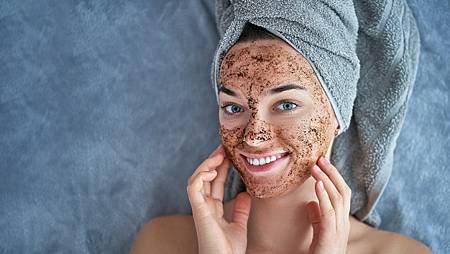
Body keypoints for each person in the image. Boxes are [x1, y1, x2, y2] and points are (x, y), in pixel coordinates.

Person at [130, 24, 431, 254]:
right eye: (233, 108)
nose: (253, 135)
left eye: (286, 105)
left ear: (337, 113)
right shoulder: (163, 242)